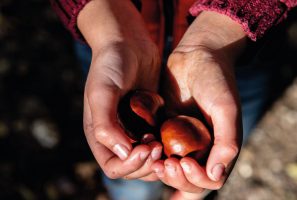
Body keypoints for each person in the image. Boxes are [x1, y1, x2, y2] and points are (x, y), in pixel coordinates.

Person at [49, 0, 297, 199]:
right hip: (107, 28)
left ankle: (187, 193)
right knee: (132, 175)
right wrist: (109, 25)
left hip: (240, 43)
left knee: (227, 129)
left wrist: (221, 31)